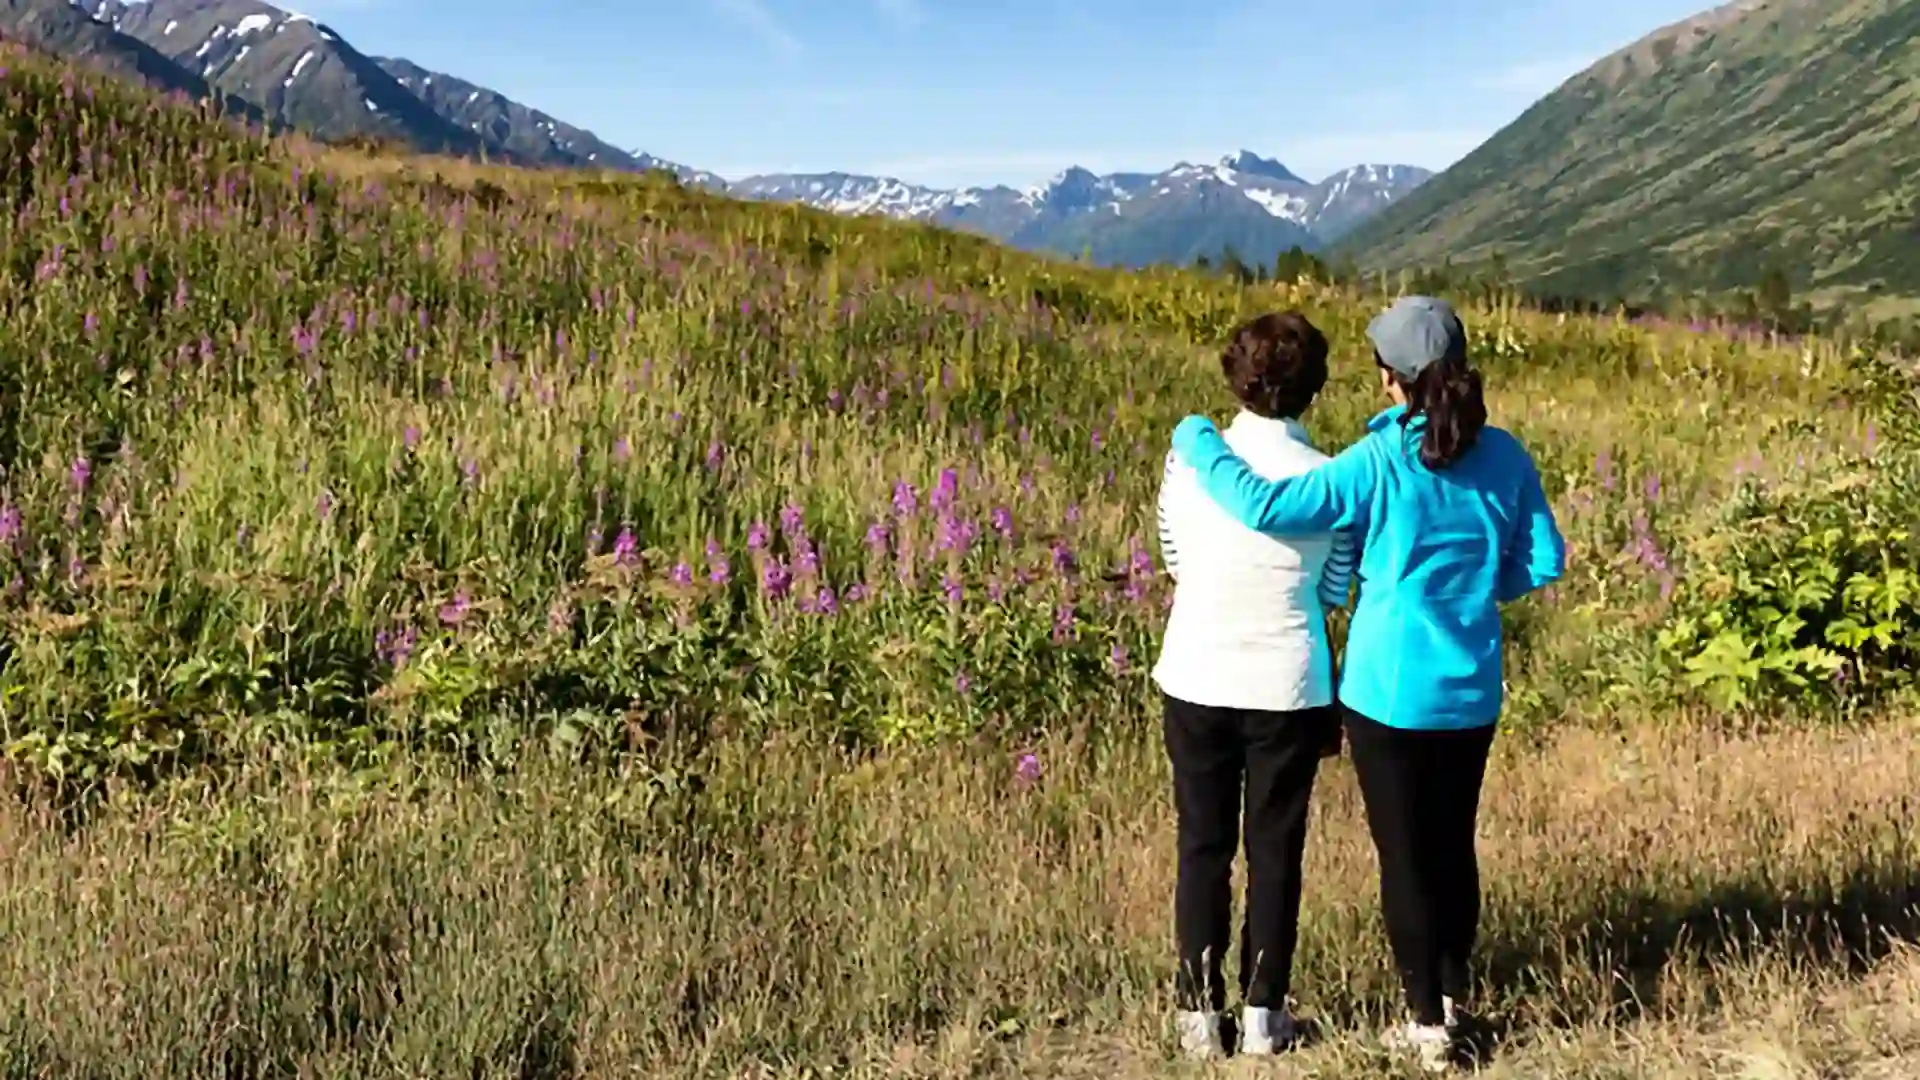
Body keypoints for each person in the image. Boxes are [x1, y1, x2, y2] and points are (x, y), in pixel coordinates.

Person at [1168, 295, 1566, 1073]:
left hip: (1387, 689)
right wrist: (1479, 586)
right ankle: (1451, 999)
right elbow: (1544, 560)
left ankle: (1425, 1026)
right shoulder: (1507, 455)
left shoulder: (1380, 458)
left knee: (1403, 857)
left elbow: (1268, 505)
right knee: (1453, 847)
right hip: (1473, 685)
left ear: (1391, 377)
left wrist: (1198, 441)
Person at [1152, 311, 1357, 1059]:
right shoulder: (1331, 476)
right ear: (1315, 389)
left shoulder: (1192, 462)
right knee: (1276, 848)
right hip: (1289, 681)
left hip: (1198, 668)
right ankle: (1266, 1012)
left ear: (1234, 377)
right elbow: (1335, 584)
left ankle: (1198, 1015)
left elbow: (1172, 552)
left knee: (1201, 845)